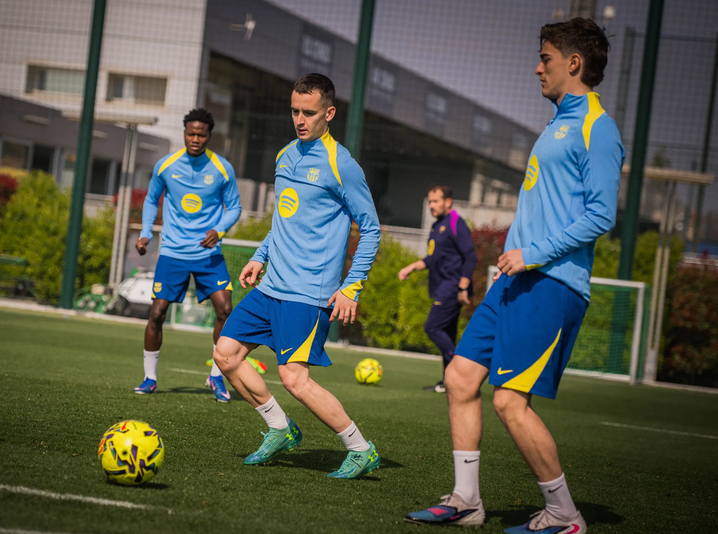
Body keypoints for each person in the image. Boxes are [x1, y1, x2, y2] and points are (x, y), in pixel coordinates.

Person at [405, 18, 623, 532]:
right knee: (460, 377)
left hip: (551, 283)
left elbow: (601, 215)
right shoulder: (557, 124)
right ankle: (466, 500)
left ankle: (565, 515)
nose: (537, 68)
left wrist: (533, 254)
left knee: (508, 400)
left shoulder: (598, 127)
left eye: (546, 58)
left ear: (573, 63)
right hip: (513, 282)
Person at [212, 73, 382, 479]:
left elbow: (371, 228)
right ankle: (280, 428)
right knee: (225, 354)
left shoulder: (342, 165)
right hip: (271, 285)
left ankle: (361, 449)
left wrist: (351, 287)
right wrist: (260, 256)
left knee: (294, 379)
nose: (300, 120)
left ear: (329, 113)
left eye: (309, 112)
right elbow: (285, 219)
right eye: (294, 111)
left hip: (308, 292)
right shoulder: (286, 155)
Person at [134, 108, 241, 403]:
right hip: (173, 252)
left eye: (201, 135)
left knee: (225, 310)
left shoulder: (222, 169)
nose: (195, 139)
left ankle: (216, 376)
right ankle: (150, 378)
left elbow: (234, 207)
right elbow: (151, 199)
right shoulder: (166, 165)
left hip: (208, 253)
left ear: (209, 136)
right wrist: (146, 233)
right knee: (157, 314)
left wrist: (219, 230)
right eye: (191, 134)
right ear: (184, 133)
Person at [398, 185, 476, 393]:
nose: (431, 205)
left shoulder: (456, 223)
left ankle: (463, 370)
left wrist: (463, 287)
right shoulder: (436, 226)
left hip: (452, 287)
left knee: (432, 327)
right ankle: (449, 384)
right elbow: (432, 259)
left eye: (435, 201)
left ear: (447, 202)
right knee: (447, 334)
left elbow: (470, 256)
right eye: (429, 201)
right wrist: (412, 267)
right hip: (442, 286)